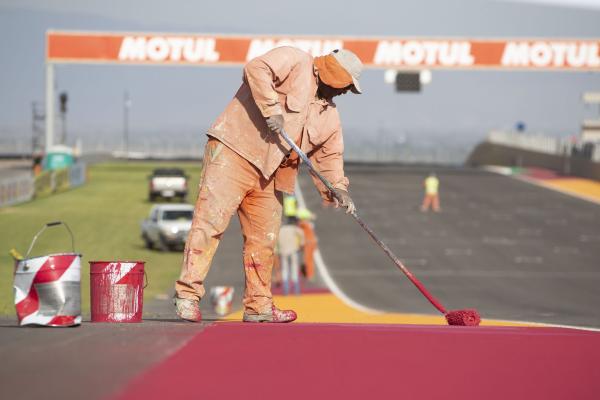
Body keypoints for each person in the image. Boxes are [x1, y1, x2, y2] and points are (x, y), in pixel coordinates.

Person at [174, 47, 363, 323]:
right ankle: (187, 296)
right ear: (335, 75)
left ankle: (258, 305)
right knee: (210, 224)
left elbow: (330, 155)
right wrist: (271, 108)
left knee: (264, 241)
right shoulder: (295, 60)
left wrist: (338, 187)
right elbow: (255, 68)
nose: (346, 92)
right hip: (235, 151)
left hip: (273, 174)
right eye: (347, 85)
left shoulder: (329, 116)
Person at [278, 217, 305, 295]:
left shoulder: (281, 230)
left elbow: (277, 240)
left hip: (283, 251)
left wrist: (279, 250)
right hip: (293, 250)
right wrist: (301, 244)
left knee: (285, 270)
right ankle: (296, 290)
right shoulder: (294, 228)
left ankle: (286, 290)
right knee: (294, 269)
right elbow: (301, 233)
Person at [297, 207, 318, 281]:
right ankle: (310, 274)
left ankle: (309, 274)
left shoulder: (302, 224)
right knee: (310, 259)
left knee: (308, 259)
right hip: (312, 242)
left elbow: (300, 235)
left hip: (308, 243)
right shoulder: (308, 224)